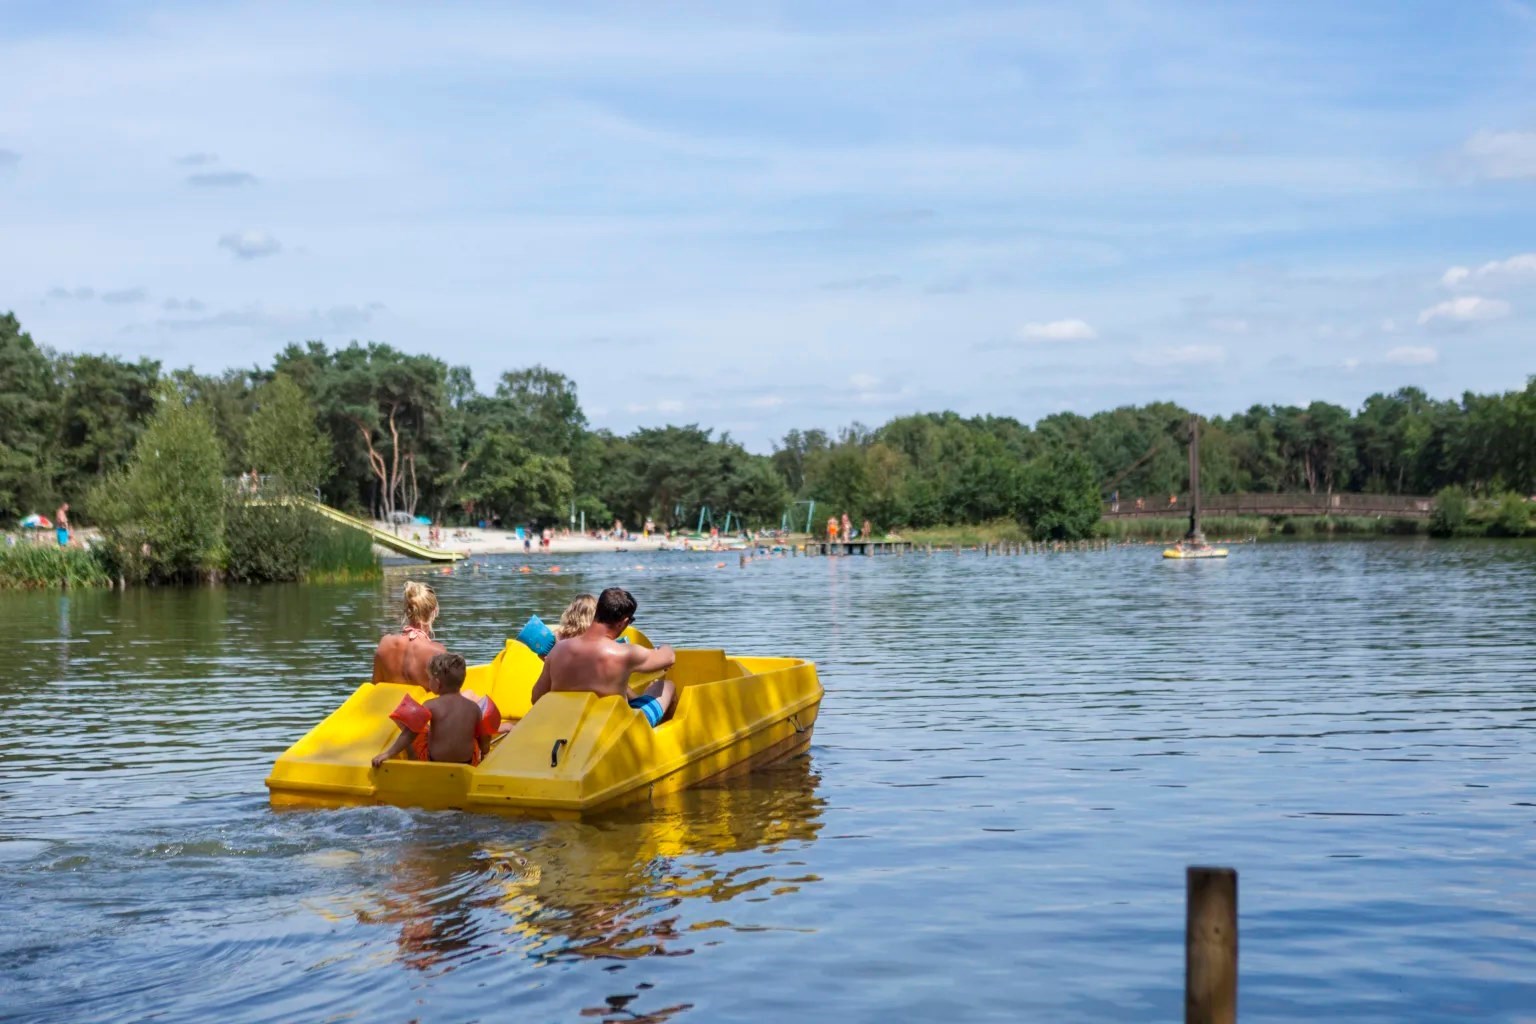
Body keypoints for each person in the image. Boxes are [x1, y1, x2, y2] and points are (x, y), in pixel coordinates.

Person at [532, 587, 677, 727]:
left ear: (597, 613)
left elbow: (536, 698)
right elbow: (669, 658)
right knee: (665, 686)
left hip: (568, 725)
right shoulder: (625, 653)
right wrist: (664, 647)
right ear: (624, 622)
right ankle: (655, 744)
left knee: (650, 690)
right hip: (614, 728)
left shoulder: (558, 650)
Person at [372, 653, 498, 767]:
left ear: (437, 683)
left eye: (429, 678)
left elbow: (409, 734)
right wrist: (484, 753)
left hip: (433, 761)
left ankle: (413, 759)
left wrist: (388, 754)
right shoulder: (474, 708)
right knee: (474, 738)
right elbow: (484, 741)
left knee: (406, 720)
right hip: (467, 763)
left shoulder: (431, 705)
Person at [372, 581, 447, 686]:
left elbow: (375, 689)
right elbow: (446, 698)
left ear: (407, 611)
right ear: (434, 611)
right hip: (423, 703)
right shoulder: (437, 652)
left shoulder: (384, 644)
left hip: (393, 702)